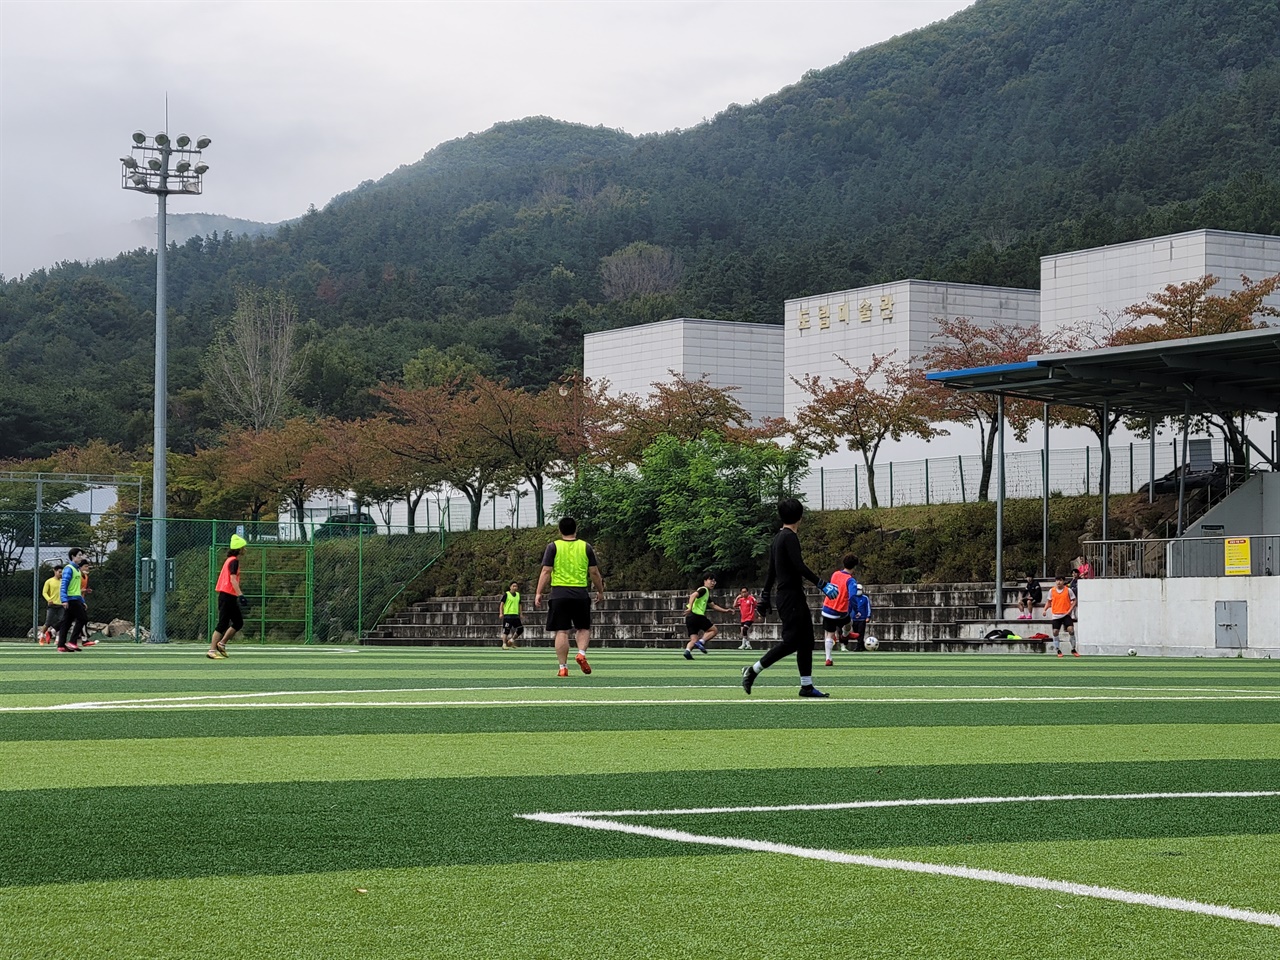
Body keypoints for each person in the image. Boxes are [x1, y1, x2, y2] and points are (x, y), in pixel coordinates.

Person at [742, 498, 829, 698]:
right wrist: (821, 583)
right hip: (790, 596)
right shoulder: (789, 537)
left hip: (789, 595)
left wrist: (765, 596)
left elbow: (771, 571)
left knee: (806, 640)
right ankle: (753, 670)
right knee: (791, 642)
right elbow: (799, 565)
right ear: (800, 517)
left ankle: (806, 686)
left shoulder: (777, 538)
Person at [535, 516, 605, 678]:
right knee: (583, 627)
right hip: (580, 593)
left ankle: (563, 667)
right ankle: (581, 653)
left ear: (560, 530)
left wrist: (539, 592)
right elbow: (594, 572)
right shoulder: (585, 547)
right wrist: (600, 591)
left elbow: (546, 571)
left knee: (562, 631)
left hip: (559, 593)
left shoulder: (553, 547)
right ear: (576, 530)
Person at [208, 534, 247, 660]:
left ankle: (222, 643)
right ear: (239, 549)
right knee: (223, 624)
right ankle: (212, 650)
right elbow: (233, 579)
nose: (245, 550)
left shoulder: (230, 560)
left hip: (229, 596)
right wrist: (241, 595)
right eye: (243, 547)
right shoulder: (234, 561)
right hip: (227, 595)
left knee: (238, 622)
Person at [682, 574, 733, 659]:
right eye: (711, 580)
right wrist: (690, 607)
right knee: (714, 630)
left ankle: (687, 651)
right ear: (705, 581)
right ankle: (701, 642)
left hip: (690, 617)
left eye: (714, 581)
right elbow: (692, 595)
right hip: (697, 616)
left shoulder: (706, 594)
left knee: (694, 639)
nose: (713, 583)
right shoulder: (704, 589)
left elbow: (713, 606)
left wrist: (725, 610)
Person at [821, 554, 858, 667]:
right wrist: (855, 609)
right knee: (849, 623)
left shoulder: (835, 574)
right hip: (840, 611)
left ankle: (828, 658)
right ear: (855, 567)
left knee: (830, 634)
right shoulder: (851, 580)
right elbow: (852, 596)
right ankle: (845, 635)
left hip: (827, 608)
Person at [57, 549, 89, 652]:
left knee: (66, 623)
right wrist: (64, 599)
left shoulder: (77, 570)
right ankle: (72, 641)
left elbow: (76, 588)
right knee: (83, 618)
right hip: (71, 599)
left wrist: (82, 601)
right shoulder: (69, 568)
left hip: (76, 598)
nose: (81, 557)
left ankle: (61, 645)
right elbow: (64, 585)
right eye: (79, 555)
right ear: (73, 556)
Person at [1046, 573, 1079, 658]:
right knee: (1055, 632)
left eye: (1060, 580)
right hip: (1056, 615)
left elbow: (1074, 600)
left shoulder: (1068, 590)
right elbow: (1049, 601)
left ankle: (1073, 649)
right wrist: (1045, 609)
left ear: (1063, 581)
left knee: (1071, 630)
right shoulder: (1051, 591)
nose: (1058, 582)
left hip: (1065, 614)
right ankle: (1058, 649)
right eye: (1057, 580)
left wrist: (1070, 610)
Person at [40, 562, 64, 645]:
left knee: (62, 621)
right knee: (48, 622)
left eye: (62, 572)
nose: (61, 574)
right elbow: (44, 592)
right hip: (52, 605)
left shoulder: (63, 582)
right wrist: (49, 599)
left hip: (61, 605)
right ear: (55, 571)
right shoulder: (49, 581)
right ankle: (42, 636)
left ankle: (57, 638)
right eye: (59, 572)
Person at [78, 560, 98, 646]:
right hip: (73, 600)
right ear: (80, 567)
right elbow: (72, 590)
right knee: (82, 619)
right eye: (85, 566)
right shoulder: (76, 576)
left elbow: (82, 591)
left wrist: (83, 599)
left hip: (79, 600)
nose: (87, 568)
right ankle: (84, 639)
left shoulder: (85, 576)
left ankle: (52, 631)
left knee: (76, 620)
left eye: (88, 566)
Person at [849, 583, 873, 652]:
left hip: (862, 619)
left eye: (859, 589)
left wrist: (868, 616)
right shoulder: (852, 598)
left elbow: (868, 608)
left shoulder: (865, 598)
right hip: (854, 618)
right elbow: (850, 608)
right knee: (856, 633)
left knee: (860, 633)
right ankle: (862, 645)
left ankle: (858, 647)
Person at [500, 581, 524, 648]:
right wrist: (501, 613)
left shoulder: (518, 595)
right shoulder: (507, 594)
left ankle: (511, 641)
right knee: (506, 630)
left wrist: (521, 613)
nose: (515, 588)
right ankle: (504, 644)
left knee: (520, 629)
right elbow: (502, 604)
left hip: (515, 615)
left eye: (516, 586)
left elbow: (520, 604)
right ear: (510, 587)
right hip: (508, 615)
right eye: (513, 586)